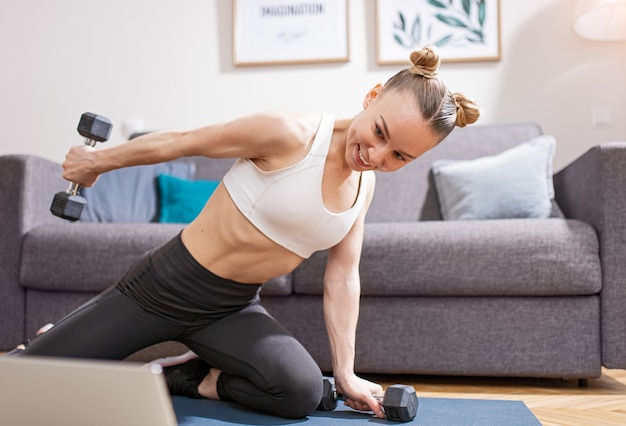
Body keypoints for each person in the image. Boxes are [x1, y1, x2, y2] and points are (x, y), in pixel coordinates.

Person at [17, 46, 479, 419]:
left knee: (298, 392)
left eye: (399, 156)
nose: (377, 155)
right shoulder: (290, 133)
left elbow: (343, 276)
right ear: (372, 94)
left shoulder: (364, 187)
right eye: (380, 133)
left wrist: (346, 373)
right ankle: (62, 339)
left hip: (233, 308)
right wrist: (97, 161)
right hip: (162, 288)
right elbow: (182, 141)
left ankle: (187, 376)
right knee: (27, 384)